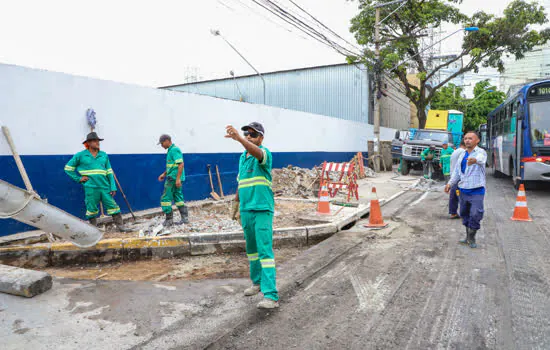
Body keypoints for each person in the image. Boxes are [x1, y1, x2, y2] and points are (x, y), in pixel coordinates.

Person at [226, 122, 279, 309]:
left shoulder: (264, 154)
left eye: (253, 135)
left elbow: (256, 152)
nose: (249, 136)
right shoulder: (243, 158)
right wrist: (236, 203)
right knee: (252, 250)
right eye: (246, 134)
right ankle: (257, 283)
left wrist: (239, 139)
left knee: (265, 251)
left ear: (261, 138)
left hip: (262, 209)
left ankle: (271, 295)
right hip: (246, 209)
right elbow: (241, 182)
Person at [64, 132, 128, 230]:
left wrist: (113, 187)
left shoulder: (103, 155)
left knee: (113, 206)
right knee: (91, 209)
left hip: (105, 187)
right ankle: (93, 229)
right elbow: (68, 168)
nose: (97, 143)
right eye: (95, 141)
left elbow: (109, 172)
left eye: (98, 141)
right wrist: (78, 178)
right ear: (88, 143)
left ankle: (121, 226)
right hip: (90, 187)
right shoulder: (80, 155)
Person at [445, 132, 487, 248]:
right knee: (464, 213)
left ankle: (472, 237)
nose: (467, 140)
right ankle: (468, 236)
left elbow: (481, 159)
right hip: (463, 189)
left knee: (475, 213)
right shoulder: (462, 155)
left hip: (477, 189)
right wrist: (450, 184)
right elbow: (457, 172)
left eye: (470, 138)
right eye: (466, 138)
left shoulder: (480, 152)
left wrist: (474, 160)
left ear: (477, 140)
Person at [158, 134, 188, 226]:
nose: (161, 145)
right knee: (178, 197)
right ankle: (184, 218)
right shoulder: (171, 151)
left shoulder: (174, 150)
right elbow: (172, 167)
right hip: (174, 178)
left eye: (162, 143)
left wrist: (178, 179)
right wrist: (164, 174)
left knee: (165, 198)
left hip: (173, 179)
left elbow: (181, 164)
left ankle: (169, 220)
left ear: (167, 141)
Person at [448, 140, 466, 219]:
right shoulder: (463, 152)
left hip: (453, 176)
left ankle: (453, 213)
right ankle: (464, 213)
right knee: (461, 196)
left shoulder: (455, 151)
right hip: (458, 177)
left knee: (454, 195)